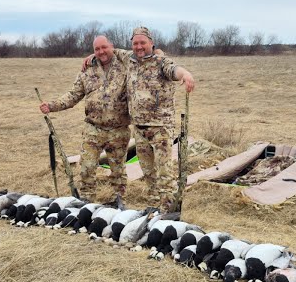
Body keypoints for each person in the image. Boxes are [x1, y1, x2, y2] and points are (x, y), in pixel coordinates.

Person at [114, 27, 195, 213]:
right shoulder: (129, 59)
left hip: (160, 128)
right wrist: (92, 58)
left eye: (143, 42)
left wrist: (186, 75)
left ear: (151, 43)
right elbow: (110, 51)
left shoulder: (161, 62)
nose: (139, 46)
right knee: (148, 171)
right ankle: (153, 205)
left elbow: (174, 70)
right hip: (139, 128)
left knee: (164, 171)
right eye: (135, 43)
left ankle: (170, 210)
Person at [40, 36, 130, 202]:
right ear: (93, 51)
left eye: (104, 47)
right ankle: (87, 202)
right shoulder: (87, 70)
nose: (101, 52)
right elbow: (73, 95)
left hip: (119, 130)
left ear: (112, 46)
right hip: (93, 129)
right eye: (97, 49)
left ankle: (119, 201)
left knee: (118, 170)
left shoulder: (126, 65)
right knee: (86, 168)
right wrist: (52, 106)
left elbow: (148, 57)